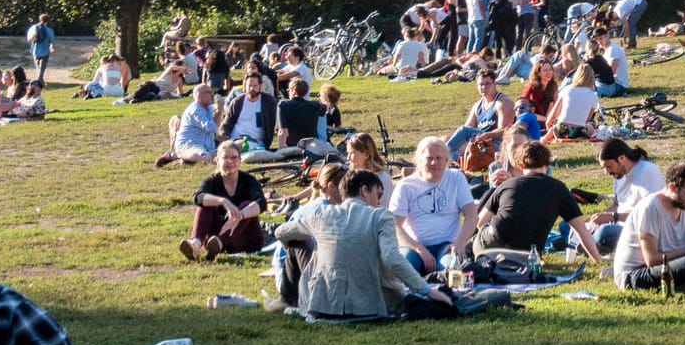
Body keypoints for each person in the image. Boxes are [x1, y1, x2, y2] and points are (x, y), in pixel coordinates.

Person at [274, 171, 458, 318]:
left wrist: (296, 246)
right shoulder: (380, 216)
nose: (378, 202)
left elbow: (281, 232)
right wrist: (426, 290)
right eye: (378, 195)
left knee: (297, 242)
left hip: (321, 306)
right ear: (364, 191)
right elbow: (391, 258)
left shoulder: (321, 214)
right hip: (369, 306)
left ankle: (289, 301)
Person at [475, 140, 603, 258]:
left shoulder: (507, 185)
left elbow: (480, 223)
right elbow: (581, 228)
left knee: (476, 241)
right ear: (546, 164)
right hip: (529, 253)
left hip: (494, 243)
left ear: (520, 165)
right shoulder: (558, 188)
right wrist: (598, 259)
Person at [612, 163, 685, 293]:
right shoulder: (650, 208)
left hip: (672, 265)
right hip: (637, 274)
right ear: (673, 187)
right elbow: (651, 260)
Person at [389, 136, 477, 274]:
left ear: (447, 160)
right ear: (420, 160)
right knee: (403, 272)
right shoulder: (406, 186)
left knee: (454, 272)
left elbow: (472, 215)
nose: (434, 162)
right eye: (429, 158)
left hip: (447, 245)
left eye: (439, 158)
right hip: (414, 246)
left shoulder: (456, 178)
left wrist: (459, 243)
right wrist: (419, 249)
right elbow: (395, 225)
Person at [183, 142, 269, 261]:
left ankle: (219, 242)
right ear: (217, 160)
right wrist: (222, 201)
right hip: (214, 238)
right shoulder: (211, 181)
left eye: (234, 157)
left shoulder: (249, 180)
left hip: (245, 239)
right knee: (206, 203)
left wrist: (239, 215)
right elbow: (197, 197)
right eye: (225, 158)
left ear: (240, 160)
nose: (230, 161)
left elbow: (262, 203)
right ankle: (195, 244)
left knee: (246, 205)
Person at [587, 139, 665, 253]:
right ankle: (584, 239)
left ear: (622, 158)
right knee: (567, 225)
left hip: (639, 230)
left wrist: (613, 217)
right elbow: (616, 205)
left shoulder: (647, 171)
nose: (606, 172)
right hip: (617, 224)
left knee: (604, 232)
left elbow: (651, 214)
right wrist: (592, 220)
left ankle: (583, 242)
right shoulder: (619, 175)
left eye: (608, 166)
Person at [446, 71, 515, 165]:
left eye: (487, 84)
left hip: (499, 145)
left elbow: (506, 131)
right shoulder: (477, 106)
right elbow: (467, 129)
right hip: (482, 144)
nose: (484, 87)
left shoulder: (502, 102)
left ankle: (441, 155)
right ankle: (450, 159)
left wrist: (487, 135)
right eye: (481, 84)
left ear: (494, 84)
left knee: (463, 130)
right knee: (445, 139)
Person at [157, 85, 219, 168]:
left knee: (227, 152)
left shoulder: (209, 108)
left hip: (207, 146)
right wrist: (220, 111)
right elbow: (211, 127)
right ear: (199, 96)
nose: (212, 94)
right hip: (189, 144)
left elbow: (225, 108)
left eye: (212, 92)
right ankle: (174, 154)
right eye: (208, 92)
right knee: (205, 157)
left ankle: (188, 158)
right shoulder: (195, 110)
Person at [218, 69, 276, 151]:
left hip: (256, 142)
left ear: (260, 86)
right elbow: (228, 122)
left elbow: (274, 123)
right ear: (245, 85)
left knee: (237, 146)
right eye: (249, 85)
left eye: (255, 86)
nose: (252, 88)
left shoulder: (268, 102)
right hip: (235, 137)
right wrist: (224, 134)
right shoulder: (237, 101)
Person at [545, 63, 601, 139]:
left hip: (560, 130)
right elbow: (587, 118)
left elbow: (553, 114)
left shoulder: (566, 89)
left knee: (558, 122)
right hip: (579, 133)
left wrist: (549, 124)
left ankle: (549, 135)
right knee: (591, 125)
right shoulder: (593, 95)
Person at [276, 77, 327, 147]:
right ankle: (322, 140)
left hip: (292, 146)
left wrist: (280, 149)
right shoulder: (314, 105)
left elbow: (283, 131)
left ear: (294, 91)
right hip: (312, 146)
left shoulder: (283, 105)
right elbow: (324, 108)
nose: (288, 92)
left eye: (288, 90)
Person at [24, 15, 55, 86]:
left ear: (40, 19)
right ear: (47, 21)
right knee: (41, 70)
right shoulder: (49, 30)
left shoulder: (34, 28)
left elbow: (30, 37)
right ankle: (37, 84)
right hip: (45, 52)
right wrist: (52, 47)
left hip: (35, 51)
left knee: (38, 68)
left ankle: (41, 83)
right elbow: (52, 41)